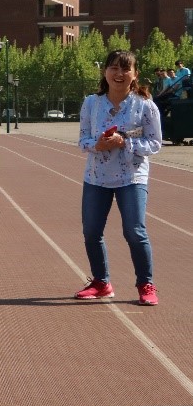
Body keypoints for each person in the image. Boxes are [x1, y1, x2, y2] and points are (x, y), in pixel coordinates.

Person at [73, 49, 162, 306]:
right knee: (91, 231)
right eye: (114, 68)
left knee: (134, 231)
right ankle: (101, 282)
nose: (119, 73)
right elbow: (83, 139)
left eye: (125, 69)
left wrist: (126, 142)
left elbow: (155, 143)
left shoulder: (145, 105)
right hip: (97, 177)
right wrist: (96, 145)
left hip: (131, 177)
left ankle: (146, 284)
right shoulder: (91, 103)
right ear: (105, 72)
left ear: (135, 74)